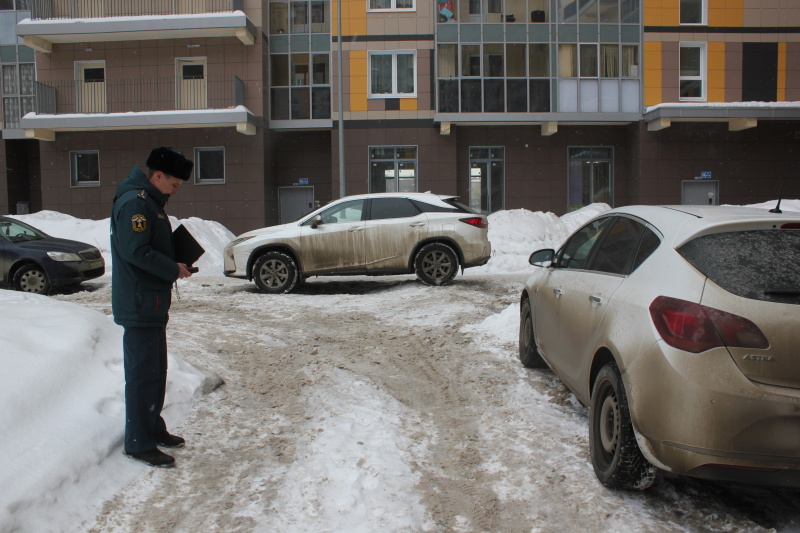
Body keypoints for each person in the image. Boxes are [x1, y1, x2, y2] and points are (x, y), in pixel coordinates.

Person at [110, 147, 194, 468]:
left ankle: (152, 427)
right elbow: (136, 252)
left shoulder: (150, 202)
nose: (176, 190)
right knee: (143, 375)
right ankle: (138, 442)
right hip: (140, 302)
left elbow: (150, 247)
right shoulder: (136, 204)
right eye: (174, 184)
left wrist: (175, 260)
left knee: (156, 373)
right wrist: (172, 268)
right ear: (157, 176)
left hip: (152, 302)